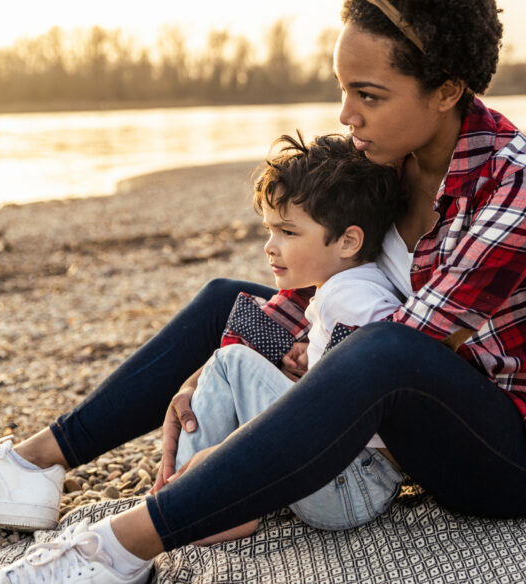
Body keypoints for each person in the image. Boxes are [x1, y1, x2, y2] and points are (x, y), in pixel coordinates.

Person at [0, 1, 526, 582]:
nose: (346, 115)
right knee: (231, 301)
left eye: (369, 95)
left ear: (446, 89)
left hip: (513, 452)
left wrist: (254, 432)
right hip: (395, 399)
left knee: (383, 350)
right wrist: (221, 362)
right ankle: (35, 463)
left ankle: (119, 548)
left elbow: (417, 339)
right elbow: (325, 284)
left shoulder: (524, 181)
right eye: (344, 90)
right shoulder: (385, 160)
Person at [174, 131, 408, 533]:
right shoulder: (350, 288)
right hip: (352, 483)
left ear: (349, 241)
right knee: (241, 359)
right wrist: (315, 360)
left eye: (288, 232)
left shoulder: (351, 298)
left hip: (350, 484)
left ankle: (197, 499)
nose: (270, 246)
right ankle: (206, 485)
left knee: (231, 362)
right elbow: (353, 380)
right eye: (269, 230)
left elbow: (379, 387)